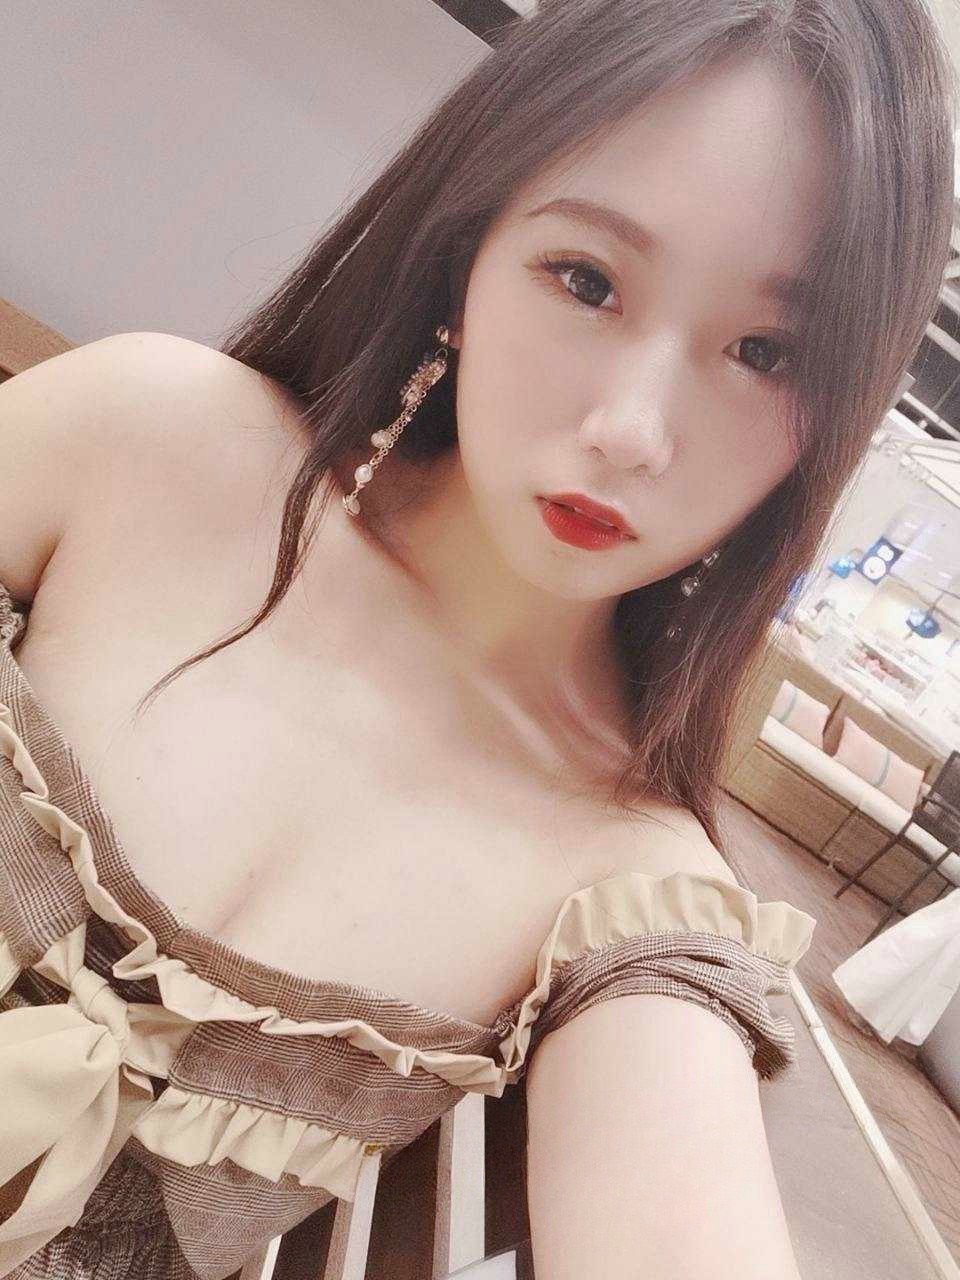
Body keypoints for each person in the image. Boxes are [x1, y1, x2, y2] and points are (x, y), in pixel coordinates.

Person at [0, 1, 953, 1276]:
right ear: (469, 251)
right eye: (587, 280)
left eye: (766, 352)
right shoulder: (148, 440)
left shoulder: (626, 893)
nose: (630, 429)